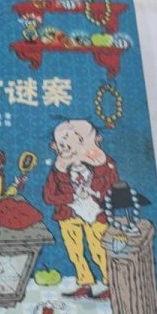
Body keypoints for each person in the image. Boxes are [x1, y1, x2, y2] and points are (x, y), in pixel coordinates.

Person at [43, 119, 119, 299]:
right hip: (68, 216)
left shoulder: (105, 165)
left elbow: (113, 187)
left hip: (97, 215)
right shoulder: (58, 170)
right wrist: (72, 198)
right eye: (62, 146)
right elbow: (48, 196)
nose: (67, 151)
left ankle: (112, 283)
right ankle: (85, 282)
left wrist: (95, 195)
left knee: (99, 249)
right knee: (75, 252)